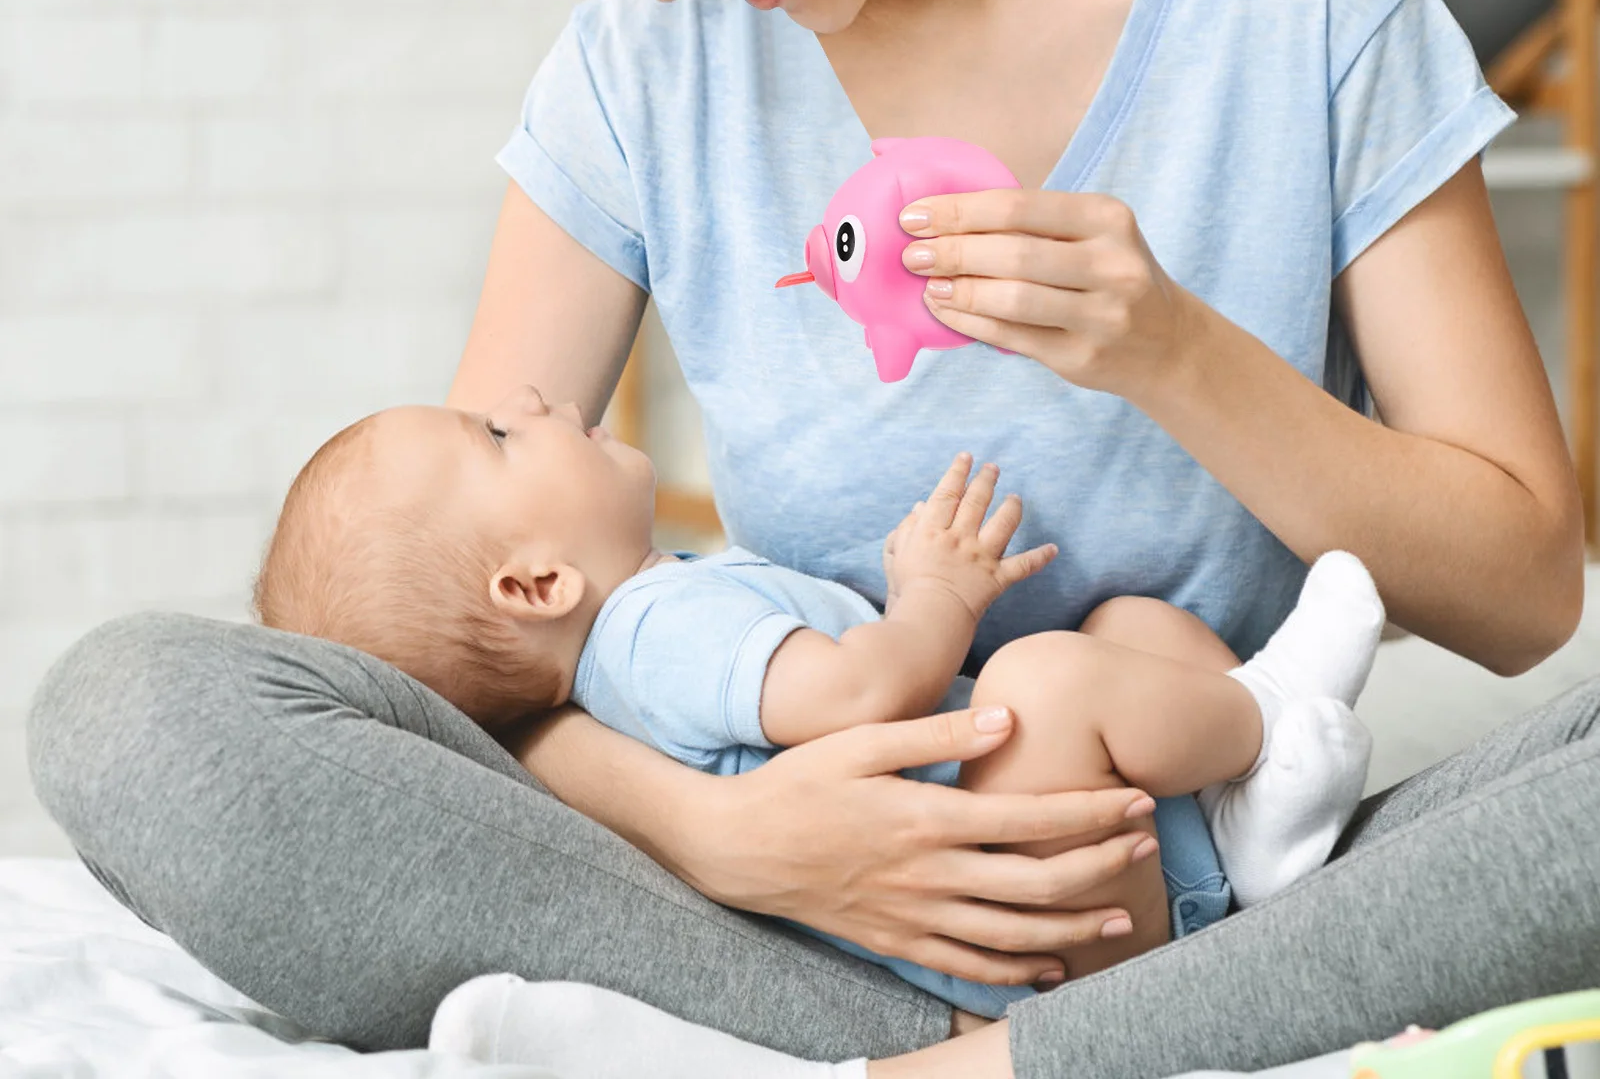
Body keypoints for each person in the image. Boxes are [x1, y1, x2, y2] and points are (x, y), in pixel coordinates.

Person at [25, 0, 1592, 1075]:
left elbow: (1529, 593)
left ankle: (1014, 1062)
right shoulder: (641, 73)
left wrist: (1177, 356)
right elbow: (458, 638)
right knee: (134, 709)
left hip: (1211, 894)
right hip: (798, 934)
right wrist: (724, 836)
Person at [250, 392, 1385, 1015]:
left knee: (1123, 634)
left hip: (1063, 881)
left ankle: (1246, 835)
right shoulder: (654, 635)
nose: (532, 400)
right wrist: (932, 594)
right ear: (538, 584)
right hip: (1037, 892)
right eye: (497, 436)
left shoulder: (656, 622)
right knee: (1046, 677)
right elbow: (859, 689)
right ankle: (1270, 728)